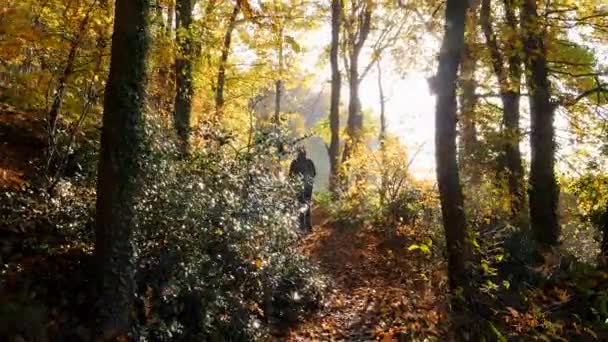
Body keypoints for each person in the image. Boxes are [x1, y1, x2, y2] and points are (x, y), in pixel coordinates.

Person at [289, 147, 316, 232]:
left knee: (300, 205)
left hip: (299, 187)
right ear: (305, 153)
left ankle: (301, 227)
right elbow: (314, 174)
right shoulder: (309, 162)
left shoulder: (294, 162)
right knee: (307, 204)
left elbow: (290, 175)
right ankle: (309, 227)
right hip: (308, 187)